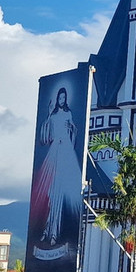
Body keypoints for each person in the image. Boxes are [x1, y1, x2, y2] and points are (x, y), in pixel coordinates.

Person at [32, 86, 83, 251]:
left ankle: (55, 232)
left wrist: (71, 130)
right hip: (54, 151)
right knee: (51, 193)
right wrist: (48, 115)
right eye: (59, 98)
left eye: (63, 98)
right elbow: (45, 137)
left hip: (65, 151)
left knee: (59, 194)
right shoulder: (53, 115)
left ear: (65, 99)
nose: (61, 101)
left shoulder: (68, 114)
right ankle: (47, 230)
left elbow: (74, 131)